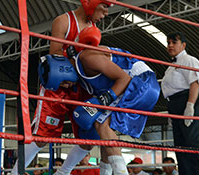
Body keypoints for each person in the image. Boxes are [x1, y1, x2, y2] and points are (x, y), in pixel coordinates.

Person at [11, 0, 116, 175]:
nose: (106, 13)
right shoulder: (64, 21)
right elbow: (56, 58)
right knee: (42, 137)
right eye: (104, 6)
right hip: (57, 89)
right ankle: (14, 173)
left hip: (81, 89)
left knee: (89, 136)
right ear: (91, 2)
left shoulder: (95, 31)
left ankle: (63, 173)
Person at [39, 26, 160, 174]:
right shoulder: (82, 77)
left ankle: (121, 172)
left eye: (63, 82)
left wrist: (102, 100)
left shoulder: (88, 57)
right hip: (139, 87)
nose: (66, 86)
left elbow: (124, 78)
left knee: (101, 123)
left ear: (61, 70)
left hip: (140, 82)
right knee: (99, 133)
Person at [161, 31, 199, 175]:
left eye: (174, 42)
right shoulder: (171, 66)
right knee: (181, 149)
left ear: (183, 45)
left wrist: (190, 106)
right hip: (176, 104)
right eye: (168, 43)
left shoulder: (189, 60)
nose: (170, 45)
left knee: (193, 144)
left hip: (189, 100)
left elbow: (195, 84)